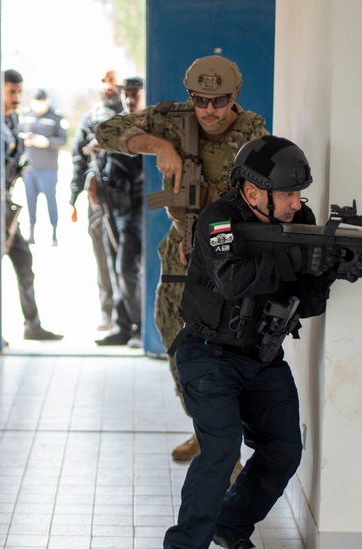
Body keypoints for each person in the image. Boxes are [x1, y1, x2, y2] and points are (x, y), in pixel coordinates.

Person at [160, 136, 362, 549]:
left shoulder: (302, 222)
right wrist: (300, 258)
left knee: (285, 449)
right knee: (220, 449)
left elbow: (308, 302)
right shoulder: (219, 219)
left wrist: (330, 268)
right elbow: (234, 280)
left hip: (262, 354)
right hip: (207, 353)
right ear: (253, 193)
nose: (297, 204)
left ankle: (232, 524)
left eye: (299, 194)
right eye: (288, 194)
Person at [95, 55, 268, 460]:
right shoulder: (175, 120)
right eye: (200, 99)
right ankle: (203, 426)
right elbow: (106, 131)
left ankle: (226, 446)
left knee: (228, 350)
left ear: (234, 97)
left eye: (218, 101)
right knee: (173, 336)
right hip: (181, 252)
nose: (208, 110)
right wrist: (159, 146)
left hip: (228, 257)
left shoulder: (253, 137)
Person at [3, 70, 63, 342]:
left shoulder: (13, 119)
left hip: (7, 202)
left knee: (24, 262)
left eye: (18, 92)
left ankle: (32, 324)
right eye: (10, 92)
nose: (16, 97)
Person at [70, 69, 124, 332]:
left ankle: (128, 318)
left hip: (128, 201)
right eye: (104, 81)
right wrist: (73, 196)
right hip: (99, 201)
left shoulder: (131, 114)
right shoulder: (90, 117)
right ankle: (108, 313)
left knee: (126, 262)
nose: (109, 85)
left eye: (113, 80)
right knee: (102, 259)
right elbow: (78, 159)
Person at [93, 76, 146, 348]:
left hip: (140, 210)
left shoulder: (150, 125)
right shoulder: (116, 123)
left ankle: (140, 327)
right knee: (116, 268)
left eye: (136, 94)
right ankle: (124, 326)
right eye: (127, 94)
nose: (130, 98)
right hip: (115, 206)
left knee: (128, 269)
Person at [20, 89, 67, 246]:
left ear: (47, 101)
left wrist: (47, 142)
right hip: (30, 168)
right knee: (30, 202)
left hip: (48, 168)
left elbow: (63, 139)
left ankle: (54, 234)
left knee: (50, 201)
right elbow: (18, 134)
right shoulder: (27, 115)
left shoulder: (55, 116)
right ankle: (31, 233)